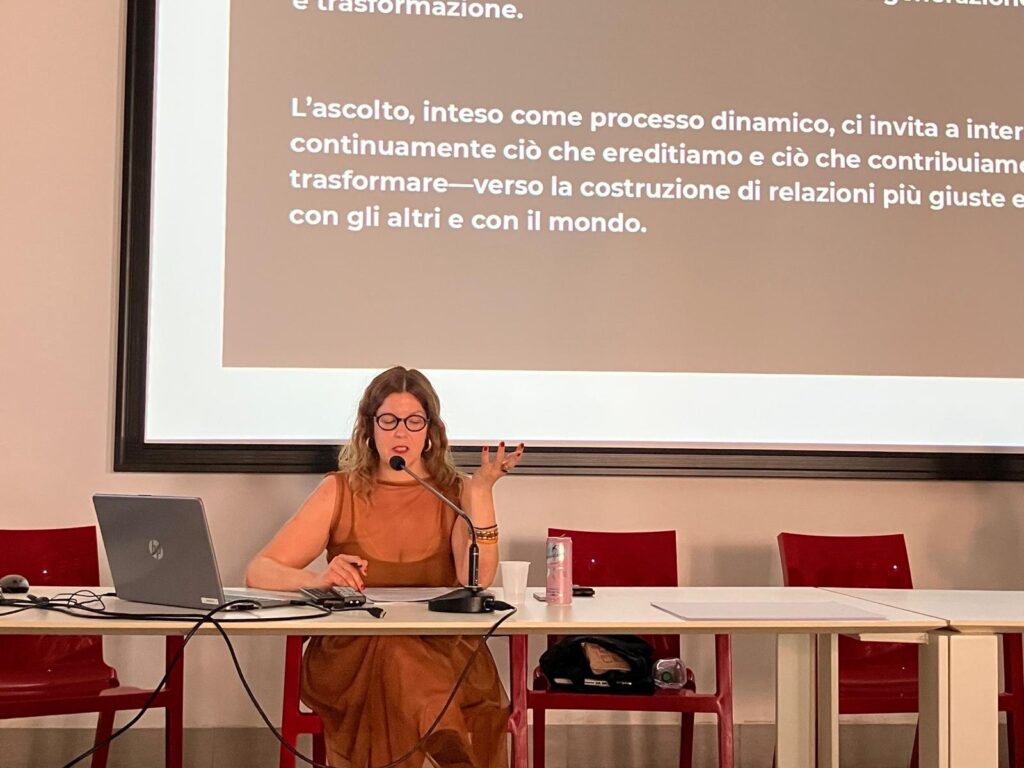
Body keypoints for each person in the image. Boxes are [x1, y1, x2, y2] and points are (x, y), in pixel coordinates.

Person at [246, 366, 525, 768]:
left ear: (430, 431)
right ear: (369, 428)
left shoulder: (454, 491)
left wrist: (481, 492)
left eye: (414, 422)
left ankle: (443, 738)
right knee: (393, 649)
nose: (401, 433)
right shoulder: (339, 490)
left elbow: (478, 578)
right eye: (389, 420)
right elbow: (260, 571)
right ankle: (448, 748)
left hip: (442, 650)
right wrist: (319, 579)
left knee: (403, 657)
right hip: (355, 652)